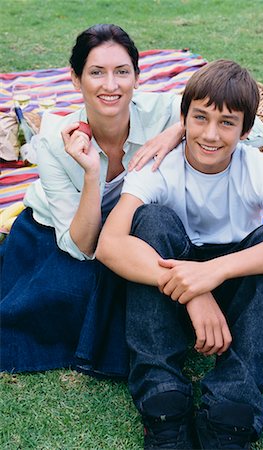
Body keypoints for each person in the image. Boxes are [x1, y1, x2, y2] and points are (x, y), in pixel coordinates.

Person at [96, 60, 263, 449]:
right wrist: (194, 289)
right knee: (150, 220)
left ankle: (231, 408)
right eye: (200, 118)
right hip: (168, 297)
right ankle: (162, 400)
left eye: (226, 123)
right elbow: (110, 244)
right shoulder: (158, 167)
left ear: (246, 131)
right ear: (182, 118)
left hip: (236, 296)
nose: (210, 134)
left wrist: (215, 272)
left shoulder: (257, 167)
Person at [0, 23, 187, 378]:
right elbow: (81, 246)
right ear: (75, 79)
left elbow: (254, 129)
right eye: (96, 73)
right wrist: (90, 173)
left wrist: (178, 130)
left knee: (132, 280)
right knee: (69, 293)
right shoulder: (55, 140)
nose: (111, 85)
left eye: (122, 72)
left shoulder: (164, 110)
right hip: (59, 232)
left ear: (137, 76)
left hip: (127, 228)